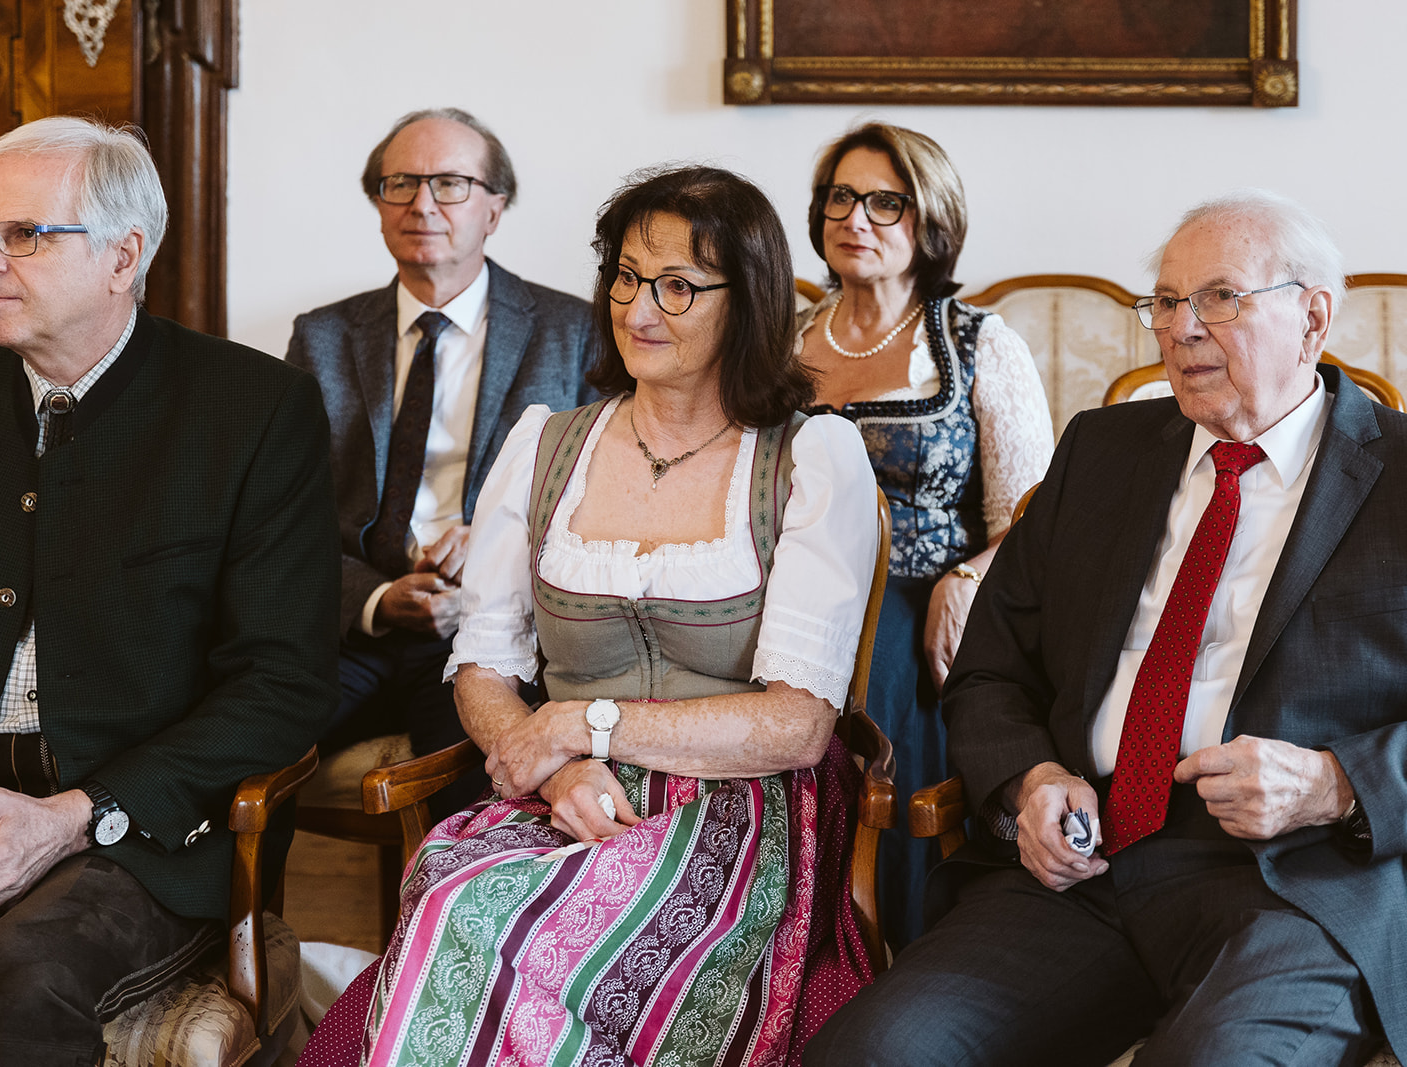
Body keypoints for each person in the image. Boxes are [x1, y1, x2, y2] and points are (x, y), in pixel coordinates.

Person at [297, 166, 882, 1067]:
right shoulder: (546, 444)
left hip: (738, 810)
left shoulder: (810, 456)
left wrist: (578, 725)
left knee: (501, 932)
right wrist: (552, 771)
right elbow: (484, 663)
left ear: (749, 301)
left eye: (678, 285)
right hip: (562, 796)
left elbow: (799, 725)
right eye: (626, 275)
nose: (639, 306)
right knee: (456, 890)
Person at [806, 190, 1407, 1065]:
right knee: (874, 1053)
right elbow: (990, 670)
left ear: (1312, 315)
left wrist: (1335, 782)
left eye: (1219, 298)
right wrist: (1030, 777)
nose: (1181, 328)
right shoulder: (1102, 451)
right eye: (1165, 302)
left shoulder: (1398, 480)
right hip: (1083, 866)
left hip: (1298, 887)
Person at [0, 116, 340, 1062]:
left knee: (9, 994)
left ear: (123, 255)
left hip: (131, 841)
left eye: (24, 235)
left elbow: (282, 680)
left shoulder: (253, 411)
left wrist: (73, 814)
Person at [796, 121, 1054, 949]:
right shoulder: (782, 338)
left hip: (920, 599)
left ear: (930, 220)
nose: (856, 218)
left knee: (885, 650)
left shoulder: (981, 343)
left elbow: (1034, 516)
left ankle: (885, 941)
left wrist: (966, 579)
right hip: (791, 590)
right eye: (841, 196)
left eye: (885, 201)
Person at [287, 108, 596, 791]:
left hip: (491, 635)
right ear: (376, 204)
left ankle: (439, 900)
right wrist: (375, 598)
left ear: (495, 207)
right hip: (355, 624)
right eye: (400, 183)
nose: (422, 203)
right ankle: (249, 903)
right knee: (238, 745)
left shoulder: (572, 331)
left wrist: (493, 537)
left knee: (474, 790)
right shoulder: (323, 338)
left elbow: (600, 497)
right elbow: (286, 516)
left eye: (451, 183)